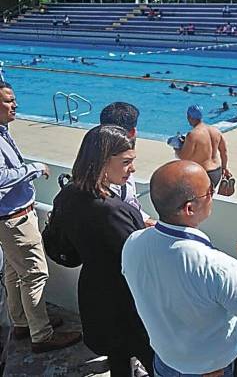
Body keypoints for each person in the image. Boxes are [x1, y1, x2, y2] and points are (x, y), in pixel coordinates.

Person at [122, 160, 237, 376]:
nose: (213, 194)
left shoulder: (133, 244)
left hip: (164, 364)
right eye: (209, 191)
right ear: (189, 208)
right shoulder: (217, 266)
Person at [54, 125, 154, 376]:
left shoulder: (68, 194)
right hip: (128, 302)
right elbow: (140, 259)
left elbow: (64, 247)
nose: (132, 170)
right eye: (126, 162)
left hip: (95, 294)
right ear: (102, 160)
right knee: (154, 361)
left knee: (117, 358)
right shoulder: (112, 210)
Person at [0, 81, 81, 353]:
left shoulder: (3, 132)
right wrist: (32, 169)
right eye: (9, 101)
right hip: (15, 220)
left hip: (10, 219)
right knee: (35, 275)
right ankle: (41, 335)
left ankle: (22, 322)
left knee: (14, 273)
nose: (16, 105)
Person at [99, 102, 156, 227]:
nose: (132, 169)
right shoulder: (107, 181)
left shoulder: (120, 168)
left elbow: (130, 202)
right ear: (133, 131)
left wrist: (145, 220)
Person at [178, 105, 231, 189]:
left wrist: (177, 148)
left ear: (189, 117)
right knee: (208, 195)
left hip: (202, 173)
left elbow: (184, 157)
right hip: (217, 171)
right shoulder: (215, 131)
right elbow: (224, 152)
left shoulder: (193, 135)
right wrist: (224, 168)